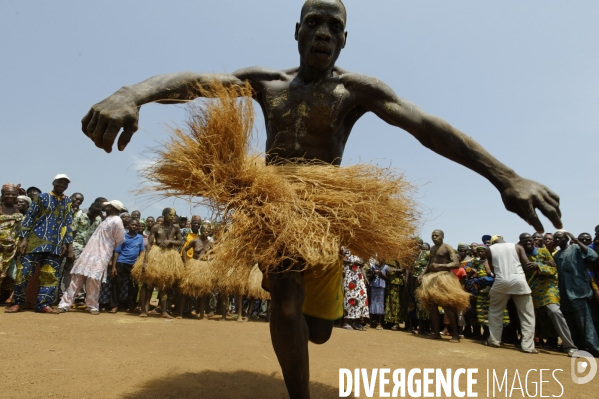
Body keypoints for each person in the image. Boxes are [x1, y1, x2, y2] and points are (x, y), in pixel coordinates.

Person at [81, 1, 563, 395]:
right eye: (314, 23)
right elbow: (194, 84)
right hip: (273, 207)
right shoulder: (265, 82)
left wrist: (506, 176)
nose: (324, 33)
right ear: (297, 31)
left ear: (345, 39)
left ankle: (310, 311)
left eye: (335, 26)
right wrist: (133, 93)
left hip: (325, 212)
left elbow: (425, 127)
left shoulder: (355, 90)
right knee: (286, 303)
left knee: (318, 327)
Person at [6, 175, 74, 314]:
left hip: (55, 244)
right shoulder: (42, 197)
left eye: (65, 183)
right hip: (35, 240)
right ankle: (18, 303)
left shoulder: (67, 201)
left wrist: (68, 245)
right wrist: (23, 239)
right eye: (59, 182)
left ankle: (43, 304)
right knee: (23, 273)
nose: (62, 185)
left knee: (49, 275)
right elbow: (30, 216)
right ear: (53, 182)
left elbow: (68, 223)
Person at [58, 200, 125, 314]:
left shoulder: (117, 221)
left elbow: (119, 240)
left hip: (101, 253)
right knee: (77, 277)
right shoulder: (107, 219)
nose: (105, 207)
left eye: (108, 206)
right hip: (89, 251)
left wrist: (107, 248)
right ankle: (65, 304)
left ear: (112, 208)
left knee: (94, 280)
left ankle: (92, 305)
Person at [519, 233, 578, 356]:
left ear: (533, 241)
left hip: (548, 289)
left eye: (529, 240)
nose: (528, 242)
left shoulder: (543, 252)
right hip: (531, 290)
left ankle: (570, 347)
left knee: (555, 312)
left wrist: (538, 265)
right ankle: (529, 344)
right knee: (530, 317)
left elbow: (553, 269)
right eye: (524, 241)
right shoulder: (520, 256)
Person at [485, 235, 537, 353]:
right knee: (527, 315)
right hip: (519, 281)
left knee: (495, 312)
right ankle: (528, 346)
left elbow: (492, 269)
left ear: (493, 243)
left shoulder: (490, 250)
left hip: (500, 282)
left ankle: (494, 340)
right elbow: (527, 264)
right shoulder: (517, 246)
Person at [552, 230, 599, 356]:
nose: (556, 240)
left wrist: (576, 240)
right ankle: (579, 346)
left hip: (579, 293)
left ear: (566, 239)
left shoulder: (576, 248)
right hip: (565, 294)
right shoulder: (557, 255)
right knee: (571, 324)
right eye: (555, 238)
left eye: (559, 238)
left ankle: (595, 348)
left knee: (585, 324)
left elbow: (593, 256)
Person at [418, 230, 469, 343]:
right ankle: (436, 332)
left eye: (436, 236)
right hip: (432, 279)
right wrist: (422, 274)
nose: (434, 237)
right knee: (432, 306)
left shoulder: (447, 247)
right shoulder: (432, 248)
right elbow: (429, 264)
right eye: (432, 236)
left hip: (444, 278)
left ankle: (455, 335)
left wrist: (440, 265)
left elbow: (456, 263)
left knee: (447, 307)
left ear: (442, 237)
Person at [137, 207, 183, 318]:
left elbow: (180, 241)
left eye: (174, 215)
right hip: (155, 255)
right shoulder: (156, 227)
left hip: (169, 256)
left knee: (165, 285)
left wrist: (170, 241)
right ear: (164, 214)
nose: (173, 217)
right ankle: (143, 310)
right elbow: (149, 244)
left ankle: (164, 311)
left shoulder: (176, 227)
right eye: (170, 215)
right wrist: (145, 260)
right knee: (146, 282)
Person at [59, 201, 103, 300]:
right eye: (93, 212)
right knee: (71, 271)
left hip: (89, 250)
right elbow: (70, 233)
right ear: (90, 209)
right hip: (76, 247)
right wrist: (70, 250)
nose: (95, 215)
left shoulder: (98, 219)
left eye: (97, 213)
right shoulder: (80, 217)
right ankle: (65, 295)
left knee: (83, 272)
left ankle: (79, 297)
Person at [108, 218, 144, 313]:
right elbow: (117, 251)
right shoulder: (123, 236)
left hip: (134, 265)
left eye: (136, 225)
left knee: (134, 286)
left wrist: (140, 264)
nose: (134, 226)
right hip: (121, 262)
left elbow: (142, 251)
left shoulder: (140, 237)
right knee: (117, 284)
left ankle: (131, 306)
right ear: (128, 226)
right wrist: (113, 267)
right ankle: (114, 306)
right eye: (132, 224)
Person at [0, 184, 25, 304]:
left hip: (12, 247)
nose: (10, 196)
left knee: (13, 273)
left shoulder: (17, 209)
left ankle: (13, 298)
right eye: (8, 194)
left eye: (14, 194)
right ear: (2, 195)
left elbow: (18, 229)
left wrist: (19, 243)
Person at [340, 250, 369, 331]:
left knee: (362, 297)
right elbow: (340, 259)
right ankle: (346, 322)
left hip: (359, 277)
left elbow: (361, 265)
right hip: (349, 276)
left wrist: (365, 277)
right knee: (349, 297)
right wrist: (352, 262)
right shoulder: (344, 248)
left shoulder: (359, 248)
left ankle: (356, 321)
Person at [368, 258, 388, 330]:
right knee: (372, 303)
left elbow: (387, 278)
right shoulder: (373, 266)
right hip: (374, 286)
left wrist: (381, 274)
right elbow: (370, 278)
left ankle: (380, 323)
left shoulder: (386, 267)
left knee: (380, 304)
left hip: (381, 287)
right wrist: (374, 273)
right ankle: (370, 323)